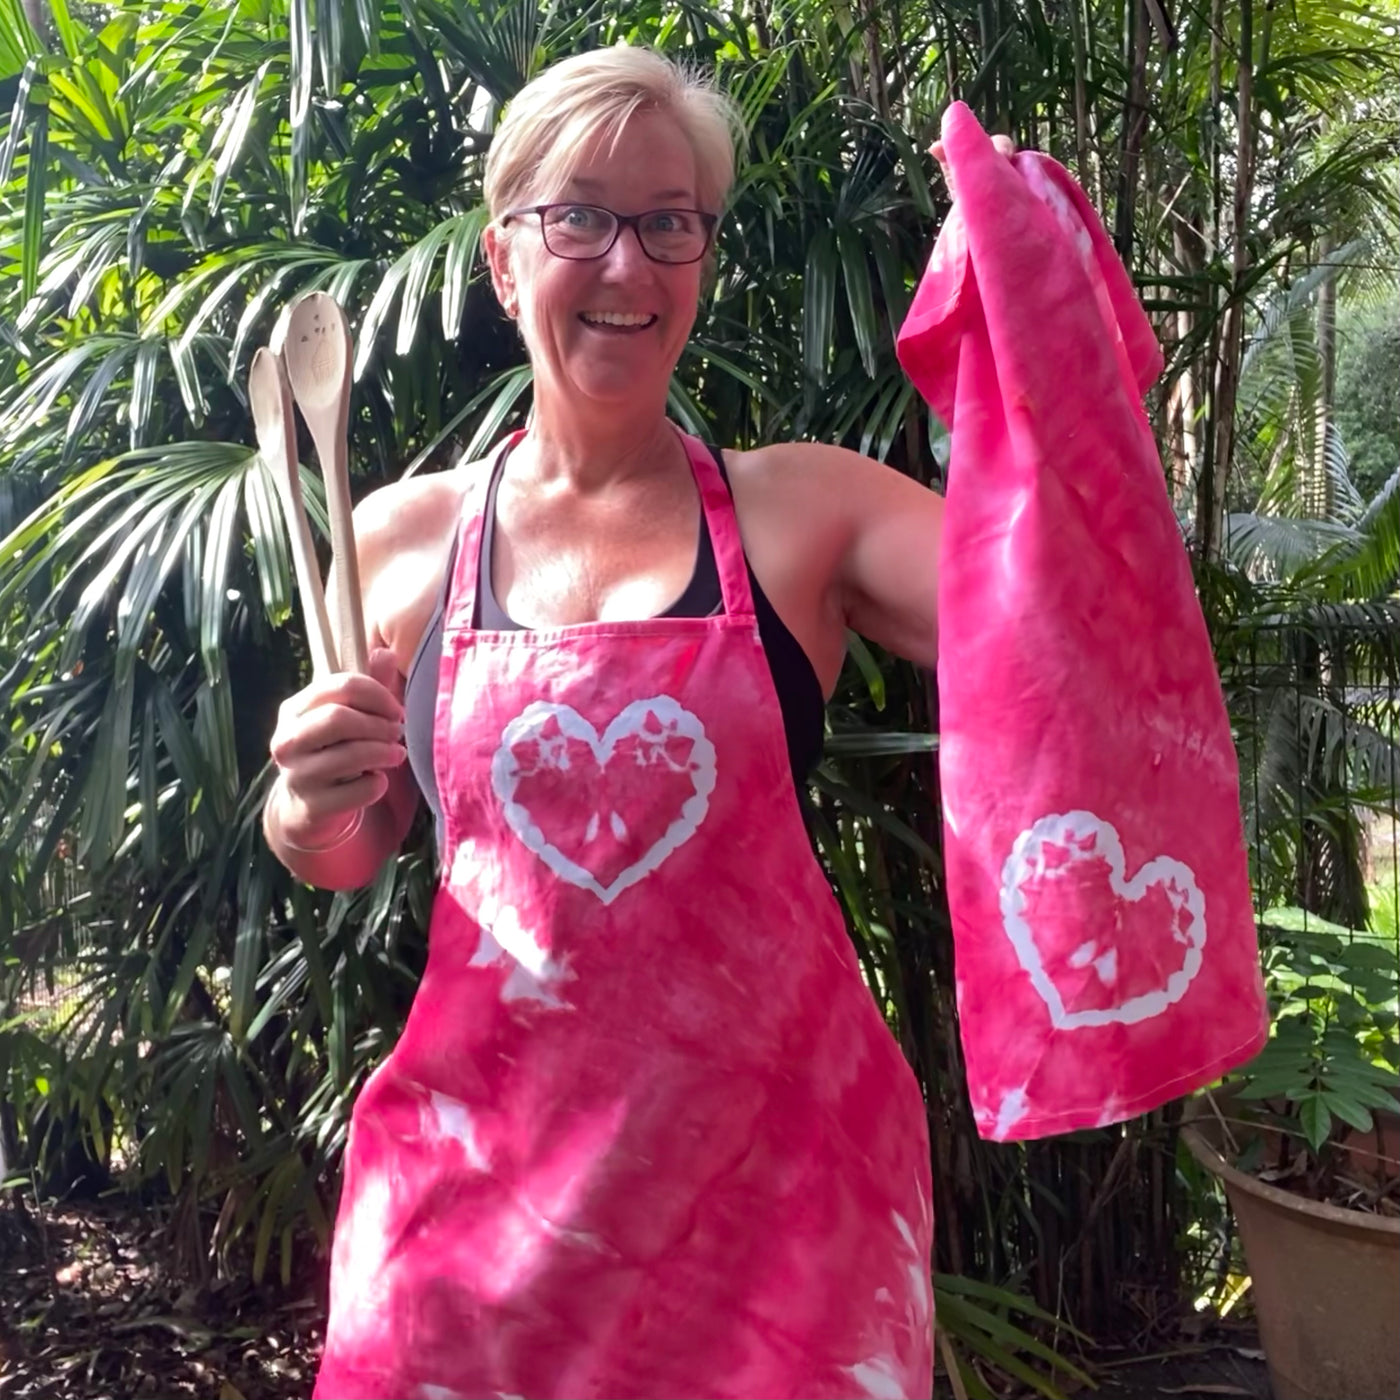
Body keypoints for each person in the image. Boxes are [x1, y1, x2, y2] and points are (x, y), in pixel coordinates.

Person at [264, 46, 1001, 1400]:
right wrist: (306, 802)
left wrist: (1027, 332)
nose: (627, 264)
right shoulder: (402, 544)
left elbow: (1049, 625)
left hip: (778, 1211)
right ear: (501, 261)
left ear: (701, 258)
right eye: (580, 217)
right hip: (478, 1207)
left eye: (669, 221)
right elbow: (348, 844)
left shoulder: (807, 512)